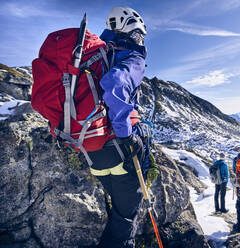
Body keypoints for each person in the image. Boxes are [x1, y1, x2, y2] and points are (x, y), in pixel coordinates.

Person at [86, 6, 151, 248]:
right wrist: (126, 134)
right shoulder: (133, 57)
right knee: (126, 220)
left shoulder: (98, 52)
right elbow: (114, 84)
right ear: (132, 32)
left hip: (92, 148)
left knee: (118, 210)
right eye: (139, 35)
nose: (141, 40)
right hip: (118, 149)